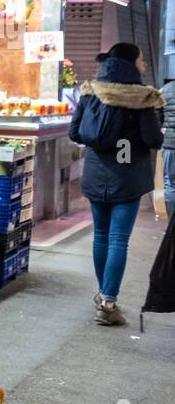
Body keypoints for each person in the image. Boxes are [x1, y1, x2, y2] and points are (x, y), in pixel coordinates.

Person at [69, 43, 164, 326]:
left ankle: (104, 295)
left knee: (101, 236)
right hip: (128, 176)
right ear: (130, 64)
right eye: (142, 60)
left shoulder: (91, 92)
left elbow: (75, 132)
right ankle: (109, 303)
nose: (144, 65)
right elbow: (153, 140)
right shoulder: (142, 98)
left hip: (97, 173)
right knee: (118, 239)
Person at [162, 72, 175, 212]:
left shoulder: (166, 89)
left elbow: (157, 117)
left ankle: (172, 225)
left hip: (171, 144)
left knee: (171, 184)